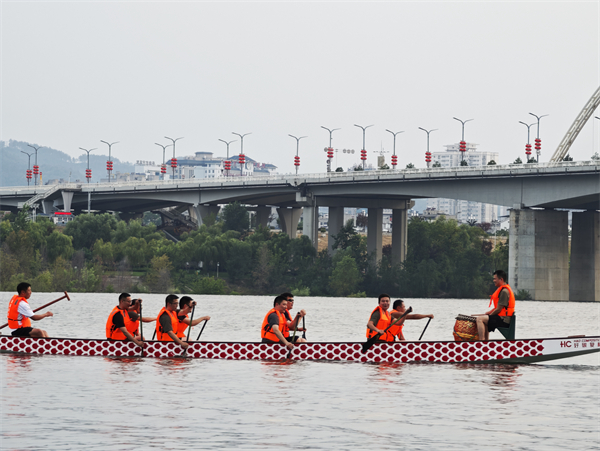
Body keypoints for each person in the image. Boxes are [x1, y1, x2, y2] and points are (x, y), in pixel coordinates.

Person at [472, 269, 515, 341]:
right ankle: (486, 341)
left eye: (495, 279)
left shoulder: (504, 291)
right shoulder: (503, 290)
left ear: (501, 279)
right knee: (484, 319)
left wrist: (489, 315)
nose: (493, 280)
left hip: (504, 320)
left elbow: (498, 309)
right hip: (502, 318)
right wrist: (488, 313)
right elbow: (498, 308)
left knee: (479, 319)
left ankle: (481, 341)